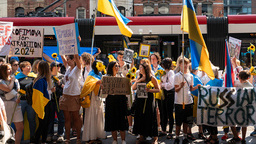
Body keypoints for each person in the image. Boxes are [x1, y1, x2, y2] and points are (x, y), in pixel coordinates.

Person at [173, 57, 201, 144]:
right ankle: (177, 137)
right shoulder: (177, 75)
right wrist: (180, 86)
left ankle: (185, 136)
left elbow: (191, 88)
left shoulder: (191, 76)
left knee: (186, 121)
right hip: (179, 102)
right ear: (179, 65)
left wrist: (197, 87)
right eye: (183, 64)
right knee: (178, 122)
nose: (185, 65)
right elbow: (175, 90)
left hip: (189, 101)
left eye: (187, 63)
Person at [132, 62, 160, 144]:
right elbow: (133, 88)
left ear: (145, 69)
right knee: (140, 117)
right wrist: (139, 80)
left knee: (151, 116)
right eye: (139, 68)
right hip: (140, 100)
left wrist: (150, 90)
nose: (140, 69)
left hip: (149, 100)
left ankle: (155, 138)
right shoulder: (139, 77)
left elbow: (158, 89)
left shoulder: (152, 78)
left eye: (141, 68)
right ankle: (141, 136)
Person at [60, 54, 82, 144]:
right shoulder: (67, 68)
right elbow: (62, 56)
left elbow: (77, 57)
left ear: (74, 60)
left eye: (69, 59)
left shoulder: (78, 69)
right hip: (65, 96)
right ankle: (67, 138)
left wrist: (75, 44)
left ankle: (78, 138)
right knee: (67, 119)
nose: (67, 61)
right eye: (67, 59)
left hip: (74, 96)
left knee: (76, 118)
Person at [81, 60, 105, 143]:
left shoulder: (100, 74)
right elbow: (86, 86)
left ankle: (96, 135)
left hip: (99, 97)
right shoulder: (90, 74)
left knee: (98, 116)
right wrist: (96, 83)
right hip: (92, 98)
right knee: (91, 116)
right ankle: (90, 137)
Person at [105, 61, 129, 144]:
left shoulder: (121, 76)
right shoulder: (106, 77)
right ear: (111, 67)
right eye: (116, 66)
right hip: (111, 100)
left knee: (122, 120)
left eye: (118, 66)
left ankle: (123, 140)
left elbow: (126, 90)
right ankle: (114, 140)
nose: (117, 67)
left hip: (120, 100)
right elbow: (103, 94)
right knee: (112, 120)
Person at [0, 63, 23, 144]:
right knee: (5, 127)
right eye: (8, 69)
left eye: (10, 69)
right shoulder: (1, 81)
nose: (10, 71)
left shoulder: (15, 80)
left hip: (16, 104)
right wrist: (12, 80)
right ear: (3, 71)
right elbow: (8, 89)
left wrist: (18, 97)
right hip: (5, 105)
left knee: (20, 126)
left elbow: (18, 91)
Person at [32, 61, 55, 144]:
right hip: (43, 104)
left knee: (45, 124)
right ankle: (36, 140)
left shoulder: (44, 79)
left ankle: (43, 141)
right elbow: (42, 94)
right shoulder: (40, 80)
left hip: (47, 103)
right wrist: (51, 91)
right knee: (42, 124)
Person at [227, 70, 253, 144]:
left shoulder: (242, 85)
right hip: (245, 108)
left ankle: (236, 137)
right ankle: (243, 139)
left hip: (238, 108)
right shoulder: (250, 86)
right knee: (243, 124)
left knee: (232, 122)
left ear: (239, 77)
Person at [15, 61, 37, 142]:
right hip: (21, 102)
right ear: (22, 68)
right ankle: (20, 139)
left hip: (31, 102)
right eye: (27, 66)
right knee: (20, 121)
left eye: (30, 66)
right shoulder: (17, 77)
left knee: (32, 120)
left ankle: (32, 138)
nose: (29, 67)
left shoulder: (34, 77)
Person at [204, 66, 223, 144]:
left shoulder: (217, 81)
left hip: (214, 104)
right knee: (210, 121)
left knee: (212, 121)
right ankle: (212, 135)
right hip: (210, 103)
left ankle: (215, 138)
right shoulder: (216, 80)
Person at [47, 62, 65, 142]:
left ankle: (60, 134)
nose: (58, 67)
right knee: (50, 118)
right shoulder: (48, 77)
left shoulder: (62, 76)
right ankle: (49, 134)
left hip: (59, 99)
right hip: (50, 100)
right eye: (56, 66)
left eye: (59, 66)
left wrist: (61, 84)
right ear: (52, 67)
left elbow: (66, 88)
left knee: (61, 117)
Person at [149, 52, 164, 134]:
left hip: (159, 91)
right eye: (151, 59)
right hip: (151, 91)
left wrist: (160, 85)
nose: (152, 60)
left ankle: (159, 126)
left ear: (157, 60)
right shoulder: (149, 68)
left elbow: (164, 80)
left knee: (158, 109)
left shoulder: (161, 69)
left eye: (154, 58)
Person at [189, 65, 205, 140]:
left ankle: (198, 132)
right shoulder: (193, 77)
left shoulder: (193, 76)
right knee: (195, 116)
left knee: (194, 116)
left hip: (195, 97)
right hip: (195, 98)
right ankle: (198, 132)